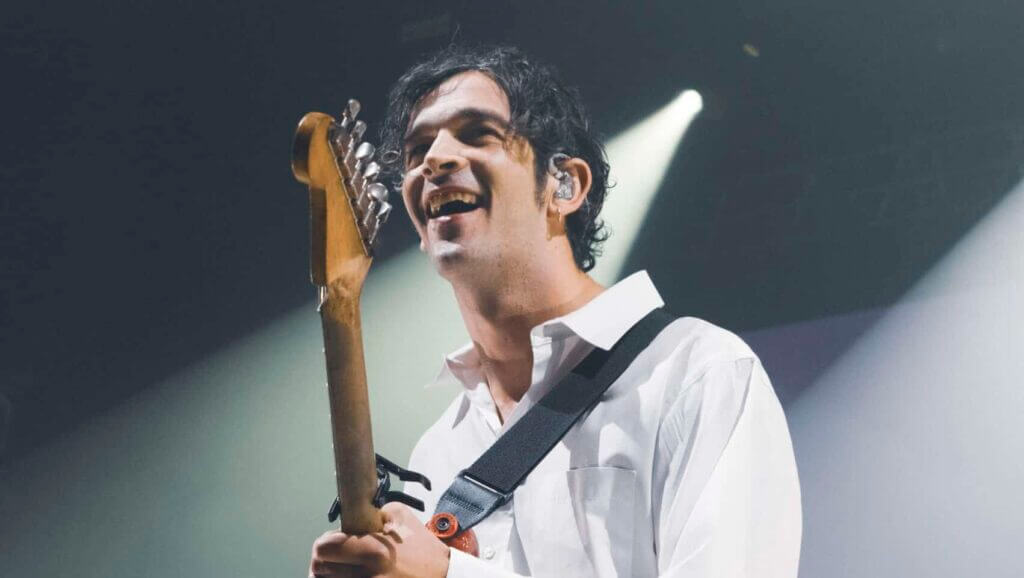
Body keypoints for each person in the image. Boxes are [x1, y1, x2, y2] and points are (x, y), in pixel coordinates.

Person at [308, 45, 801, 578]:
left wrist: (450, 573)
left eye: (477, 134)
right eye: (418, 148)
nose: (434, 160)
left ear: (564, 185)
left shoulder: (696, 373)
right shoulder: (439, 449)